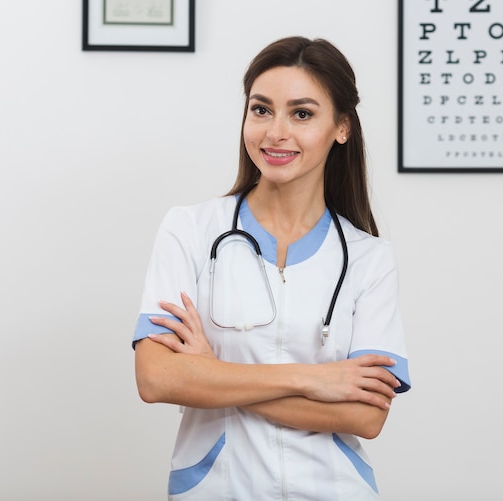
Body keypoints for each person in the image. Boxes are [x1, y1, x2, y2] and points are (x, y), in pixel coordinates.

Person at [133, 36, 411, 500]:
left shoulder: (369, 260)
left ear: (341, 127)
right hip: (218, 488)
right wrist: (314, 379)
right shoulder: (190, 230)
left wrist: (213, 374)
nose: (275, 132)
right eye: (261, 110)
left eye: (301, 114)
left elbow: (365, 416)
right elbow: (157, 378)